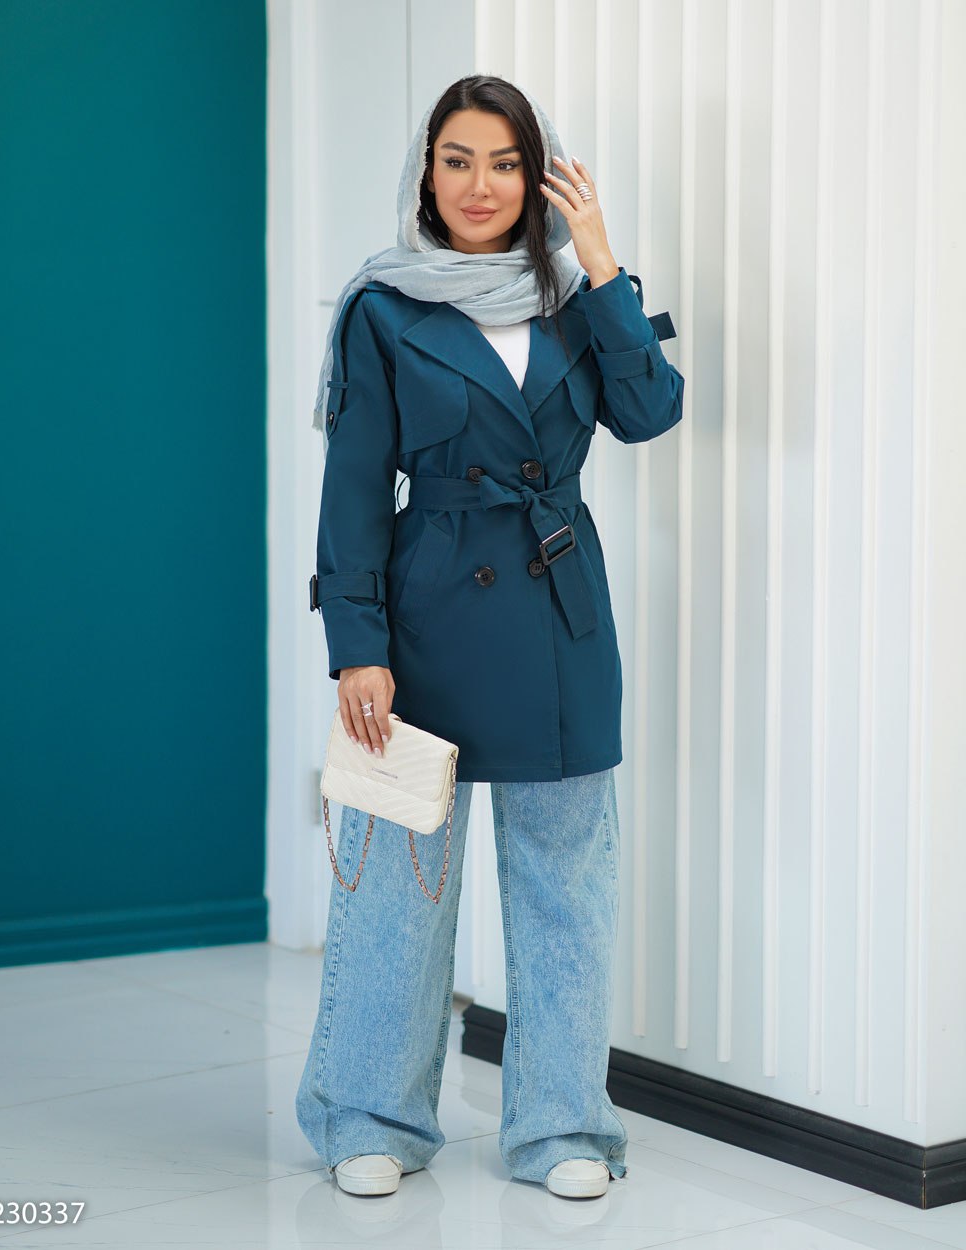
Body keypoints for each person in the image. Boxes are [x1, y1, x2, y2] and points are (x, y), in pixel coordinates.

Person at [297, 74, 685, 1200]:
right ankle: (369, 1116)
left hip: (561, 618)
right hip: (425, 618)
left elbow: (649, 411)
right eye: (458, 160)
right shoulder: (384, 305)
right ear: (426, 171)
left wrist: (600, 261)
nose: (480, 186)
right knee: (396, 885)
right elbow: (355, 489)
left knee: (567, 884)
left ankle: (563, 1128)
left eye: (506, 163)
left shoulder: (579, 294)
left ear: (539, 175)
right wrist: (357, 645)